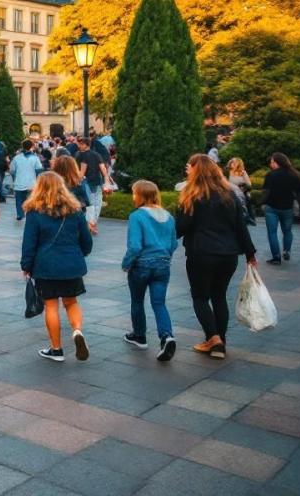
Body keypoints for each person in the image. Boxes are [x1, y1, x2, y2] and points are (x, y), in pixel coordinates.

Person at [176, 154, 257, 360]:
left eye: (189, 166)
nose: (187, 168)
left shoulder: (191, 194)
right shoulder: (229, 193)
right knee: (219, 296)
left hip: (201, 252)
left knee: (200, 296)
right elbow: (241, 226)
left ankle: (213, 339)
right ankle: (220, 342)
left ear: (197, 169)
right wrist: (250, 253)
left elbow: (182, 226)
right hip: (228, 254)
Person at [20, 171, 93, 362]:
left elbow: (29, 243)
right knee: (71, 302)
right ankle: (77, 331)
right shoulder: (75, 211)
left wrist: (26, 265)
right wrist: (80, 254)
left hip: (46, 266)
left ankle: (56, 349)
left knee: (51, 305)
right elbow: (86, 241)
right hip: (71, 264)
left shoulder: (34, 213)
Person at [122, 180, 178, 361]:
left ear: (140, 195)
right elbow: (173, 244)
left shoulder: (137, 216)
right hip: (163, 265)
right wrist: (164, 256)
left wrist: (126, 263)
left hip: (141, 265)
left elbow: (135, 246)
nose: (132, 197)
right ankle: (166, 335)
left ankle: (140, 336)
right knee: (159, 303)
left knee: (137, 301)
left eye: (134, 193)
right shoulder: (168, 216)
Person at [262, 152, 300, 264]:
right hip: (288, 207)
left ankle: (276, 257)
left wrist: (261, 203)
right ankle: (287, 251)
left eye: (271, 162)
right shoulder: (296, 175)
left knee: (272, 232)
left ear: (276, 162)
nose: (271, 164)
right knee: (287, 231)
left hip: (272, 207)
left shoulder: (271, 175)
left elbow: (266, 192)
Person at [76, 137, 110, 234]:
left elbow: (82, 172)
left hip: (87, 182)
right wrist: (106, 181)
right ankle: (93, 224)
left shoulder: (81, 155)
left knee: (90, 204)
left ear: (87, 144)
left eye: (81, 144)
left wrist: (78, 181)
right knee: (97, 204)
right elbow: (103, 168)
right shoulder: (96, 154)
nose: (79, 146)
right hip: (97, 181)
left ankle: (91, 224)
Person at [9, 139, 44, 221]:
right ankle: (30, 214)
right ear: (31, 147)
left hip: (19, 182)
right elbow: (39, 170)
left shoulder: (16, 158)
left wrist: (15, 178)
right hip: (31, 183)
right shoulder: (35, 158)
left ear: (22, 147)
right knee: (31, 200)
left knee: (19, 200)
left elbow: (12, 171)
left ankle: (19, 214)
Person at [226, 157, 255, 226]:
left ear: (238, 164)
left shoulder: (242, 172)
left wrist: (243, 186)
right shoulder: (227, 172)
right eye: (231, 162)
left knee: (246, 197)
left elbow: (249, 185)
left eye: (234, 162)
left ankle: (248, 217)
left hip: (242, 192)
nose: (232, 163)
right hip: (230, 192)